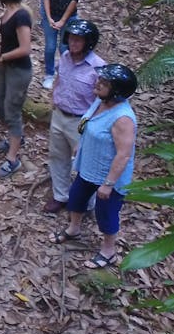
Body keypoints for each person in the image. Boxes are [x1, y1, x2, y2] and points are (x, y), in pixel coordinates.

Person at [51, 63, 138, 268]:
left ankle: (109, 251)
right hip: (89, 167)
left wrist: (108, 184)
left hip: (108, 176)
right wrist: (80, 146)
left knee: (106, 212)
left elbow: (124, 155)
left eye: (104, 83)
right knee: (76, 198)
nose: (98, 83)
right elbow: (90, 125)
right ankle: (74, 229)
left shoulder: (123, 118)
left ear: (116, 91)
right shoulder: (100, 102)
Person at [44, 18, 106, 213]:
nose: (73, 43)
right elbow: (59, 79)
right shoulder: (64, 58)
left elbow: (105, 99)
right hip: (59, 115)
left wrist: (92, 124)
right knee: (57, 156)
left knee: (85, 163)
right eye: (71, 38)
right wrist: (53, 98)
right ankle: (60, 196)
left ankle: (87, 204)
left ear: (88, 42)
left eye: (78, 40)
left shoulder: (98, 67)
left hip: (81, 121)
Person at [0, 0, 32, 178]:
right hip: (6, 66)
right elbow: (10, 38)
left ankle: (12, 159)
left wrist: (3, 56)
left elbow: (25, 48)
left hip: (19, 70)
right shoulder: (9, 12)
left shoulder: (22, 15)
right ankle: (17, 135)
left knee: (12, 111)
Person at [40, 0, 85, 89]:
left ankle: (65, 75)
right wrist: (49, 16)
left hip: (68, 17)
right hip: (51, 16)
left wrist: (63, 20)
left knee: (65, 48)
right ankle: (49, 74)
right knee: (50, 47)